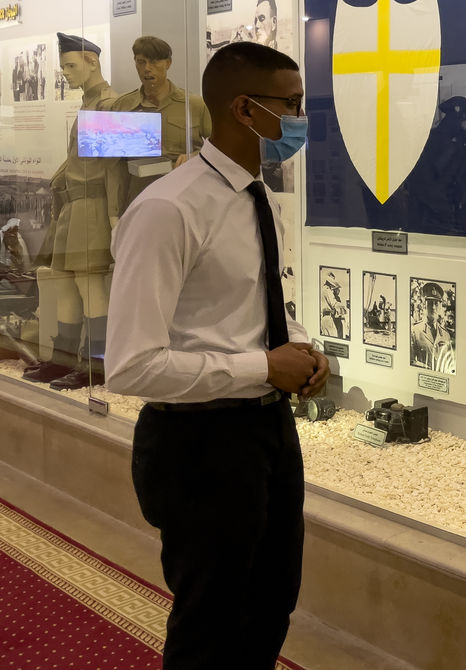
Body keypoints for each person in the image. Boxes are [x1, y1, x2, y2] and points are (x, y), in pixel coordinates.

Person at [105, 41, 328, 670]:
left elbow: (256, 302)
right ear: (245, 109)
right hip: (198, 444)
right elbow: (131, 364)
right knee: (211, 620)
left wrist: (300, 346)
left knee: (272, 601)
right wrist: (264, 367)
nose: (301, 119)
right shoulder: (169, 209)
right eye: (292, 104)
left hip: (267, 431)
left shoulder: (256, 197)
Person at [24, 33, 120, 391]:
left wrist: (115, 216)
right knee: (65, 283)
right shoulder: (90, 104)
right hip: (72, 206)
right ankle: (63, 360)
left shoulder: (108, 104)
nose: (65, 72)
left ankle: (96, 365)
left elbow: (113, 168)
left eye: (70, 65)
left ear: (91, 61)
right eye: (63, 66)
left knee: (89, 285)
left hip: (92, 205)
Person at [110, 36, 212, 213]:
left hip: (185, 201)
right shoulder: (122, 107)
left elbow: (219, 148)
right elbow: (114, 167)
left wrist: (195, 156)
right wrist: (114, 211)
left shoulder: (194, 105)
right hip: (140, 201)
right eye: (141, 62)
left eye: (154, 62)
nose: (147, 68)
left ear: (168, 63)